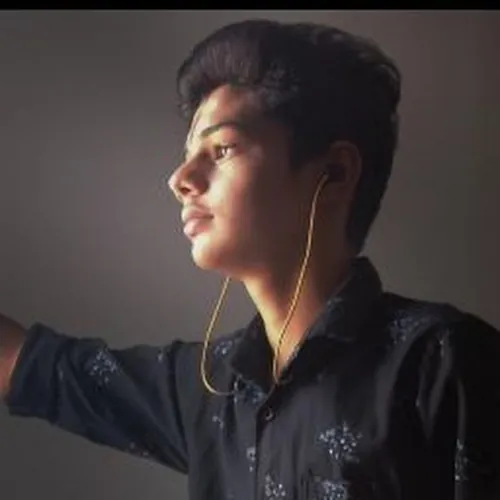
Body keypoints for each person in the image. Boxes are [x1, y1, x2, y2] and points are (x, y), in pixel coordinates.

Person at [1, 18, 499, 500]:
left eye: (221, 149)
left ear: (334, 171)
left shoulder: (441, 362)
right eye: (188, 154)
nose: (179, 179)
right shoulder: (208, 386)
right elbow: (42, 368)